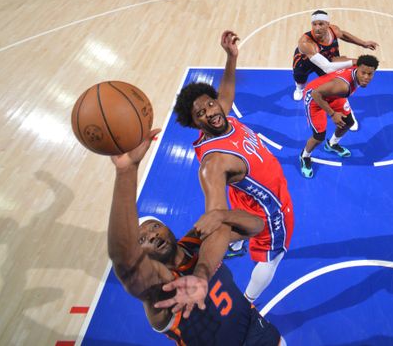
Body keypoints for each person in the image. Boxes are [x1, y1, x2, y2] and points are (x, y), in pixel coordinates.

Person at [106, 128, 285, 345]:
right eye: (141, 240)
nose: (152, 236)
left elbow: (257, 226)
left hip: (259, 332)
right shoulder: (159, 288)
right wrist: (127, 171)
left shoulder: (197, 241)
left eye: (154, 227)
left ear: (167, 228)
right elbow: (126, 263)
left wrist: (222, 214)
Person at [168, 30, 294, 306]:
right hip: (268, 206)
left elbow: (225, 92)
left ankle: (236, 245)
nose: (211, 112)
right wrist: (202, 274)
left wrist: (230, 57)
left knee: (236, 223)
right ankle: (250, 302)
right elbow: (215, 219)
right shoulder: (213, 164)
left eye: (210, 104)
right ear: (195, 124)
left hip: (245, 195)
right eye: (200, 113)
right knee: (273, 256)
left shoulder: (219, 115)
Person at [299, 54, 379, 178]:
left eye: (370, 74)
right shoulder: (343, 86)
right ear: (357, 68)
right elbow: (316, 94)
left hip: (332, 95)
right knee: (319, 136)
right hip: (315, 99)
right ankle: (304, 156)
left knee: (348, 122)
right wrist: (332, 114)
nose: (366, 77)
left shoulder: (357, 64)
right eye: (363, 73)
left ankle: (331, 145)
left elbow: (336, 60)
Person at [291, 10, 379, 102]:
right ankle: (299, 89)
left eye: (321, 24)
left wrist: (363, 43)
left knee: (333, 78)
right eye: (314, 24)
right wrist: (354, 61)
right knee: (300, 79)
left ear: (328, 24)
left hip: (326, 58)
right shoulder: (305, 42)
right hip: (305, 62)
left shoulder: (333, 30)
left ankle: (329, 95)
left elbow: (344, 35)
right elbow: (327, 67)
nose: (317, 28)